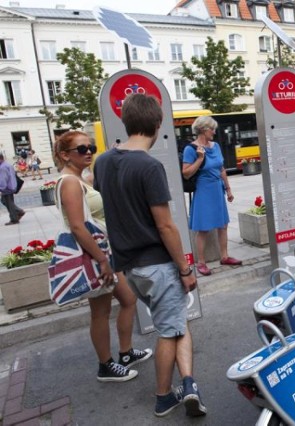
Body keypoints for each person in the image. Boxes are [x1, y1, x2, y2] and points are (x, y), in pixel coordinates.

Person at [93, 93, 207, 418]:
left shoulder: (102, 162)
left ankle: (188, 383)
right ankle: (163, 397)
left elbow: (112, 206)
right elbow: (166, 225)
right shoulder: (149, 166)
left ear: (125, 123)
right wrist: (185, 268)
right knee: (169, 332)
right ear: (157, 124)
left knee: (175, 322)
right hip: (157, 265)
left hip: (129, 268)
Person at [53, 131, 152, 383]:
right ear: (65, 155)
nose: (88, 152)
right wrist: (102, 260)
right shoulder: (70, 183)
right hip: (93, 255)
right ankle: (106, 365)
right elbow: (77, 226)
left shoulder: (80, 178)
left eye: (91, 147)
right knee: (100, 311)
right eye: (81, 149)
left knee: (128, 299)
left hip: (102, 251)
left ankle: (126, 353)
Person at [182, 115, 242, 276]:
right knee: (203, 228)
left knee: (223, 225)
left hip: (217, 189)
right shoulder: (191, 149)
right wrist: (200, 158)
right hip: (203, 190)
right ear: (202, 129)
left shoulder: (215, 146)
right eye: (212, 129)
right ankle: (201, 262)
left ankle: (224, 256)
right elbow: (186, 173)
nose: (214, 132)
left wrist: (228, 189)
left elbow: (221, 169)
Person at [0, 153, 26, 225]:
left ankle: (14, 218)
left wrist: (1, 187)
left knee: (9, 203)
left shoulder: (2, 167)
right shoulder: (7, 164)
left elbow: (3, 180)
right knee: (5, 201)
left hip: (7, 188)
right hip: (11, 186)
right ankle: (18, 212)